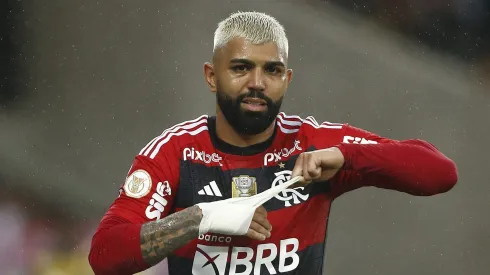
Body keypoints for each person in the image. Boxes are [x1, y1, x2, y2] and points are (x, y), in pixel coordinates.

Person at [88, 11, 458, 275]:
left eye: (272, 70)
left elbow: (440, 174)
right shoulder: (174, 151)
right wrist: (202, 218)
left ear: (288, 78)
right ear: (211, 76)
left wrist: (346, 155)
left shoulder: (313, 144)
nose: (257, 83)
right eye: (240, 68)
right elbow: (104, 256)